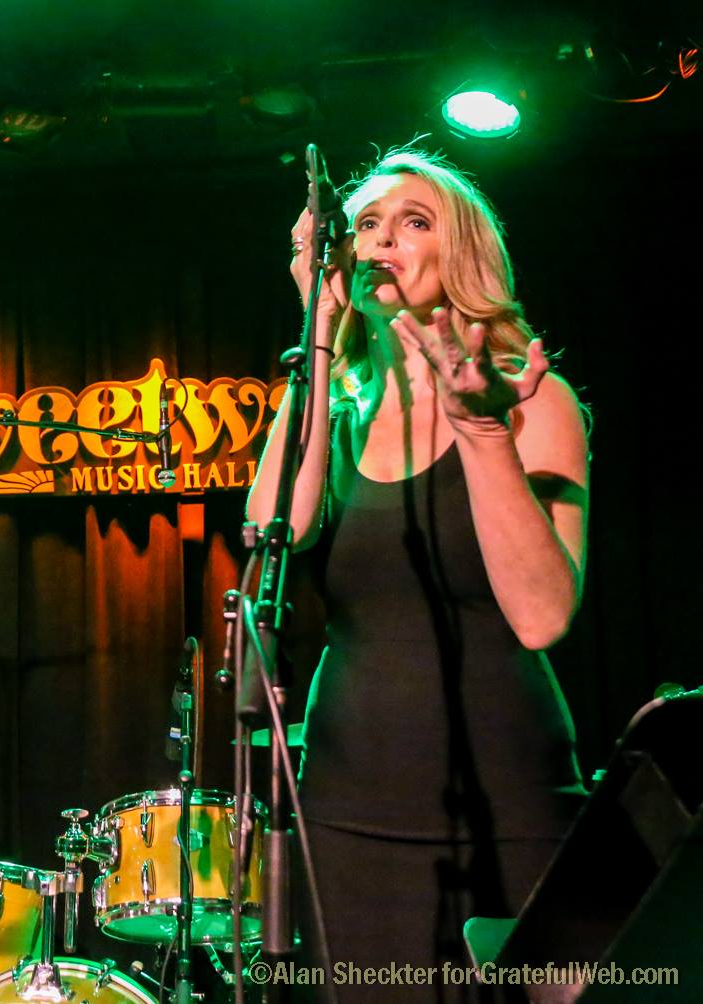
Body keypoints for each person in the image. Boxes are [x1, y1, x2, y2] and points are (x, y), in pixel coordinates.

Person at [247, 148, 589, 1000]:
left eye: (413, 222)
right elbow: (271, 530)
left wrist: (480, 436)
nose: (381, 241)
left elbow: (543, 615)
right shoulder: (340, 405)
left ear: (460, 253)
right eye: (365, 224)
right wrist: (318, 340)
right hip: (347, 807)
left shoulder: (531, 400)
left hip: (507, 807)